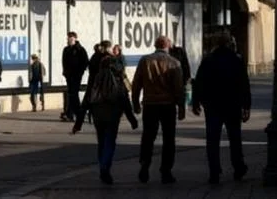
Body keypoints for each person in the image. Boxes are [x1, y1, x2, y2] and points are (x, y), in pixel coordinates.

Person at [71, 50, 138, 184]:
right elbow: (124, 99)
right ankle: (105, 166)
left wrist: (78, 124)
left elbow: (86, 101)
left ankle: (102, 165)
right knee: (110, 142)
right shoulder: (118, 78)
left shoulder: (96, 78)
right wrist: (132, 119)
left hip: (97, 115)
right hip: (113, 115)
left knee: (101, 142)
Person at [192, 32, 252, 183]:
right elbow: (244, 84)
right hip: (232, 105)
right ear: (230, 43)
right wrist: (246, 106)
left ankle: (214, 171)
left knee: (212, 140)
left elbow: (199, 82)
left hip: (212, 106)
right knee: (235, 138)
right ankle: (238, 167)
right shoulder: (236, 60)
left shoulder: (208, 60)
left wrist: (196, 102)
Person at [131, 35, 187, 185]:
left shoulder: (145, 61)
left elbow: (136, 84)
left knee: (148, 136)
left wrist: (135, 102)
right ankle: (166, 171)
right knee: (169, 139)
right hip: (167, 105)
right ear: (167, 46)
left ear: (155, 45)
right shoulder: (174, 63)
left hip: (150, 104)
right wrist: (181, 107)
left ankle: (145, 163)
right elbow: (179, 88)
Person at [61, 32, 89, 122]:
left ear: (75, 39)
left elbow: (85, 62)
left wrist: (80, 72)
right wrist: (65, 72)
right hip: (69, 76)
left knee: (74, 94)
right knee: (71, 94)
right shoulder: (66, 49)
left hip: (76, 76)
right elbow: (64, 62)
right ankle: (71, 113)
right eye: (68, 38)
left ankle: (74, 114)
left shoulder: (80, 50)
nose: (69, 40)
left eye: (71, 38)